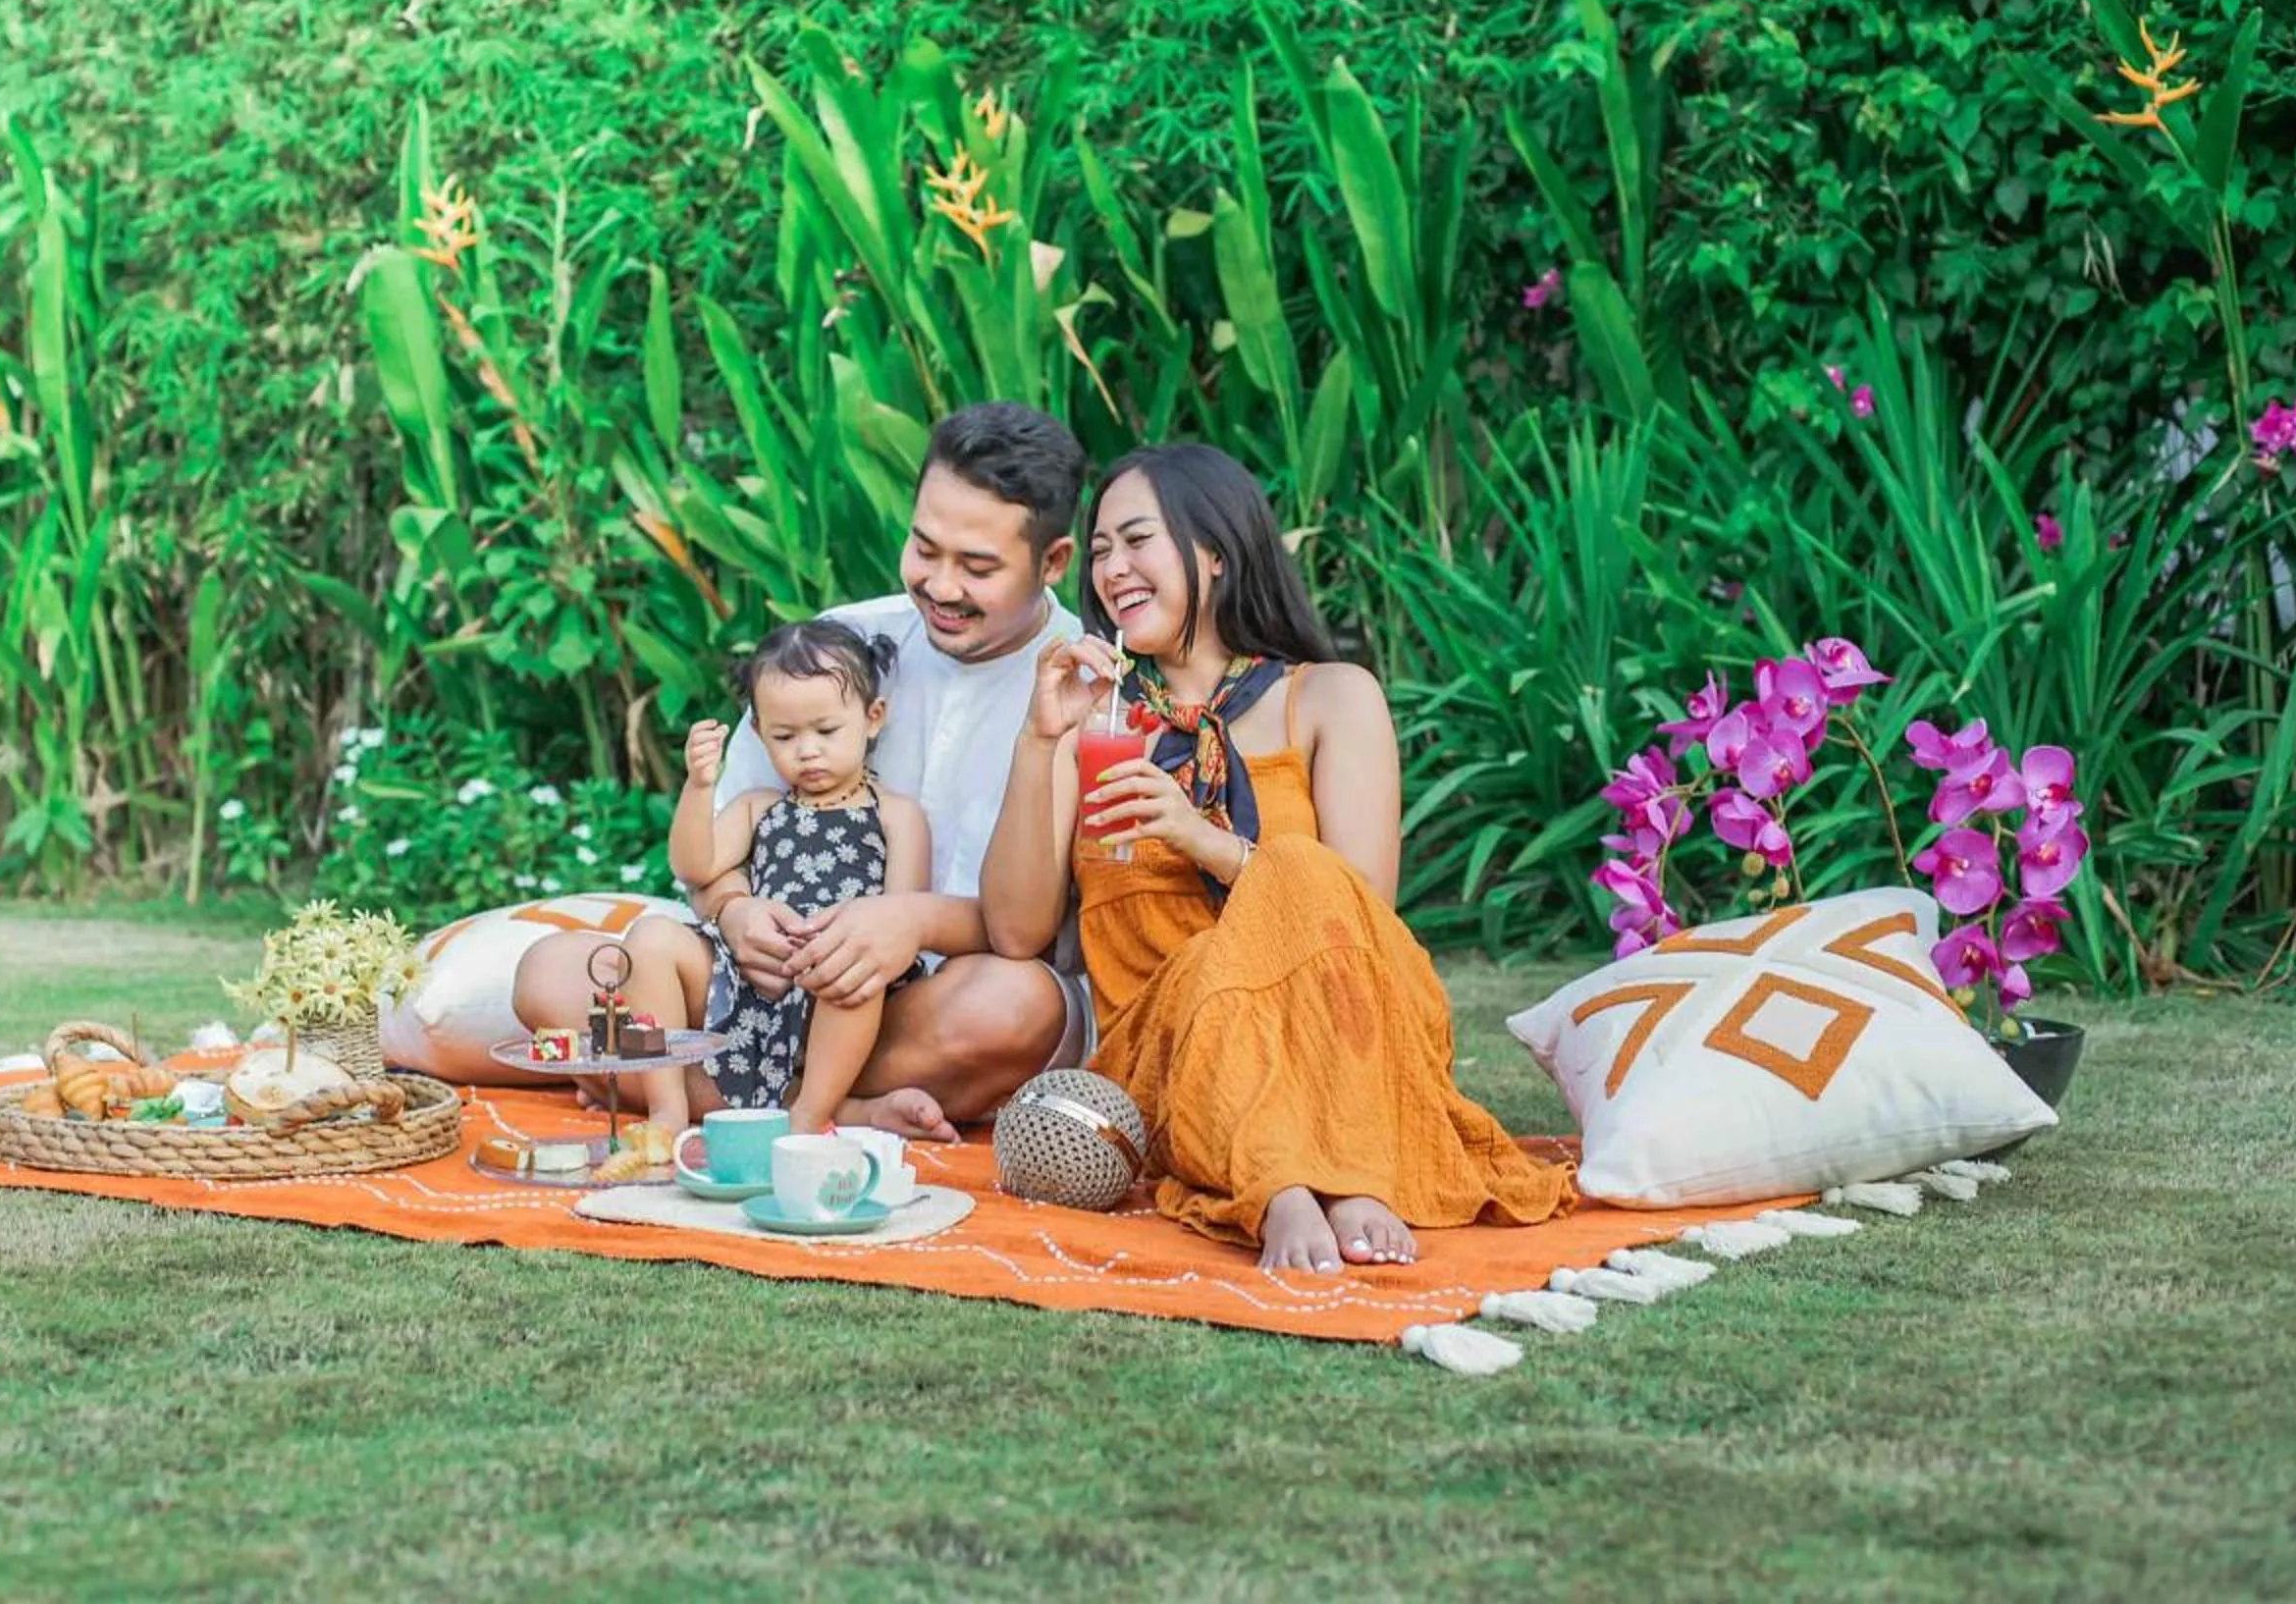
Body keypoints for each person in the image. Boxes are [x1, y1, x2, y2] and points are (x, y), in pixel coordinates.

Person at [979, 443, 1576, 1273]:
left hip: (1338, 1029)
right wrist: (1037, 739)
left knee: (1298, 869)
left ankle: (1329, 1166)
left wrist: (1208, 843)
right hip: (1172, 1050)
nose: (1113, 567)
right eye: (1102, 548)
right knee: (1202, 973)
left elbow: (1357, 912)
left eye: (1137, 539)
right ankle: (1296, 1183)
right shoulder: (1097, 724)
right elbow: (1014, 931)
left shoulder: (1331, 697)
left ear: (1216, 553)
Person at [508, 401, 1096, 1140]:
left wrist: (907, 921)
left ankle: (692, 1094)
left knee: (1018, 1006)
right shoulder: (841, 645)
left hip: (923, 1002)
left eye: (978, 567)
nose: (942, 587)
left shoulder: (1082, 686)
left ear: (1053, 563)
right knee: (552, 976)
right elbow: (721, 851)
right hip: (761, 984)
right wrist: (735, 911)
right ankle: (827, 1110)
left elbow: (1025, 935)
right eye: (925, 549)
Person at [611, 621, 930, 1142]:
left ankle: (809, 1115)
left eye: (826, 732)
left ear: (873, 719)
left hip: (840, 982)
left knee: (857, 964)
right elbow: (694, 867)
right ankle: (665, 1107)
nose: (807, 751)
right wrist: (698, 786)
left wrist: (841, 944)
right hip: (750, 973)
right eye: (785, 736)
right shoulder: (760, 808)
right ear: (758, 734)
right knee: (647, 939)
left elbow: (900, 919)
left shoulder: (896, 815)